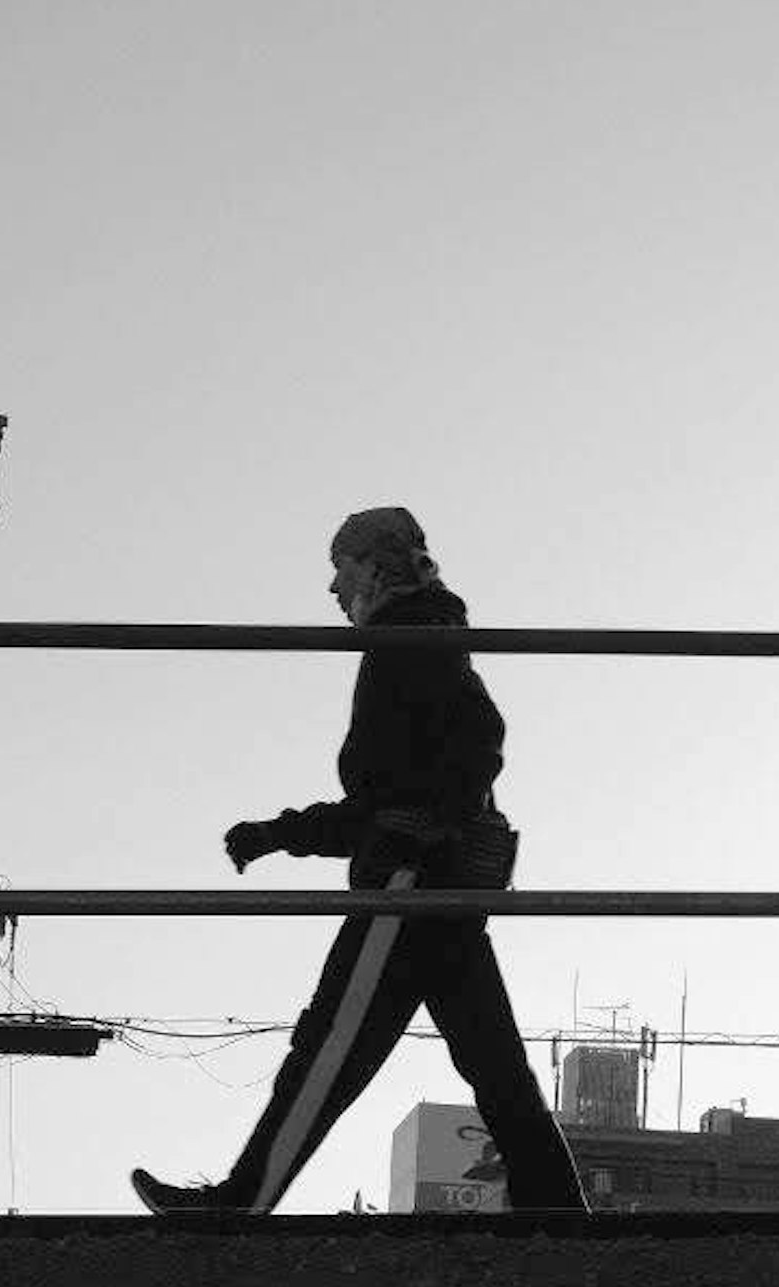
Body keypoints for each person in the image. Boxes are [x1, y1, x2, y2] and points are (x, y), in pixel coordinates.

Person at [131, 506, 587, 1215]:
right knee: (491, 1058)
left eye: (341, 571)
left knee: (330, 1045)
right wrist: (284, 831)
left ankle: (241, 1205)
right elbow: (401, 790)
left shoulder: (410, 641)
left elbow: (444, 764)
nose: (333, 591)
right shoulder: (432, 636)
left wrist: (415, 827)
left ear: (375, 568)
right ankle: (557, 1214)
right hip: (435, 881)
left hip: (409, 885)